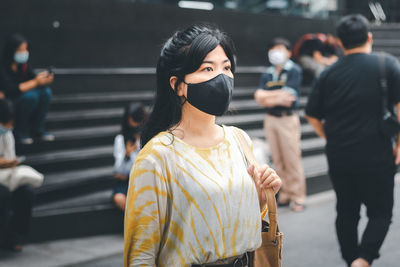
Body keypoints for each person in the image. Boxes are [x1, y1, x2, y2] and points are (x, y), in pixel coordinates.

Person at [124, 25, 282, 267]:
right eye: (208, 68)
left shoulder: (239, 139)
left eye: (226, 67)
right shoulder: (157, 157)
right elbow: (140, 254)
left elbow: (241, 222)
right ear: (178, 85)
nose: (222, 77)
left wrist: (259, 198)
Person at [305, 14, 400, 267]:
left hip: (339, 155)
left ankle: (351, 260)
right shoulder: (387, 64)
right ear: (370, 37)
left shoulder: (328, 73)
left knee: (346, 212)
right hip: (378, 153)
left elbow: (312, 115)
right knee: (380, 212)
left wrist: (329, 136)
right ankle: (364, 259)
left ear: (339, 43)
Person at [254, 37, 306, 212]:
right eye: (273, 48)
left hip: (287, 119)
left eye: (281, 49)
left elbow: (289, 98)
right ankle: (284, 195)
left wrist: (266, 96)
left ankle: (297, 196)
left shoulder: (294, 70)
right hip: (270, 120)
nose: (276, 52)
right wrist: (275, 96)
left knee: (291, 159)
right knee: (277, 159)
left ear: (289, 52)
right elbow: (258, 98)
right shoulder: (267, 73)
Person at [0, 99, 43, 252]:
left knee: (26, 193)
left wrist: (10, 163)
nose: (8, 126)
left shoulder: (8, 134)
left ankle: (14, 234)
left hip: (7, 176)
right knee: (3, 195)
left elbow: (10, 155)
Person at [0, 34, 54, 145]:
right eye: (20, 50)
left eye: (25, 49)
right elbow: (10, 90)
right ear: (12, 50)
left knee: (46, 92)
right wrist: (35, 82)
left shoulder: (23, 65)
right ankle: (21, 132)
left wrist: (44, 79)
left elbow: (33, 78)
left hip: (24, 96)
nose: (24, 53)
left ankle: (38, 129)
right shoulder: (3, 67)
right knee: (31, 97)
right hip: (9, 101)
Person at [112, 103, 147, 211]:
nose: (136, 127)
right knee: (119, 198)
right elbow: (119, 172)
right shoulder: (121, 139)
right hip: (127, 181)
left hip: (143, 180)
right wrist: (127, 155)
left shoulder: (147, 138)